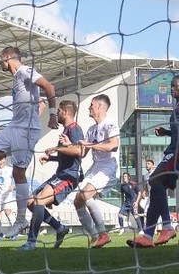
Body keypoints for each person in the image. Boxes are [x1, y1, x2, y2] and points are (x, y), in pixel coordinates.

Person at [0, 46, 58, 240]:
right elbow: (36, 101)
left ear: (7, 57)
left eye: (1, 59)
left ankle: (21, 220)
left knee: (19, 173)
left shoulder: (26, 70)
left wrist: (52, 114)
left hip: (25, 131)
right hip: (14, 127)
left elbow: (49, 87)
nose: (1, 63)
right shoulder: (17, 78)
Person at [129, 74, 179, 248]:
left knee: (154, 180)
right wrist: (166, 132)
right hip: (176, 151)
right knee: (156, 189)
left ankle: (168, 227)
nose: (172, 89)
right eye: (171, 86)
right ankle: (147, 236)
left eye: (175, 86)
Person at [17, 100, 83, 251]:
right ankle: (59, 228)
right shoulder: (66, 131)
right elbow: (68, 154)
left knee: (39, 201)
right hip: (60, 174)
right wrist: (52, 158)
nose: (57, 114)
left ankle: (31, 242)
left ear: (65, 112)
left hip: (69, 176)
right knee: (30, 202)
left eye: (59, 111)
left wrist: (55, 148)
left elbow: (78, 152)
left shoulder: (75, 129)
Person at [73, 94, 120, 248]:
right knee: (78, 200)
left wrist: (90, 145)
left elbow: (113, 145)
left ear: (99, 106)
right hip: (96, 168)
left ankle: (103, 234)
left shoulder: (110, 124)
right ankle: (94, 236)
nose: (89, 108)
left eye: (91, 105)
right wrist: (63, 147)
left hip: (109, 168)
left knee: (85, 194)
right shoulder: (91, 129)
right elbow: (82, 152)